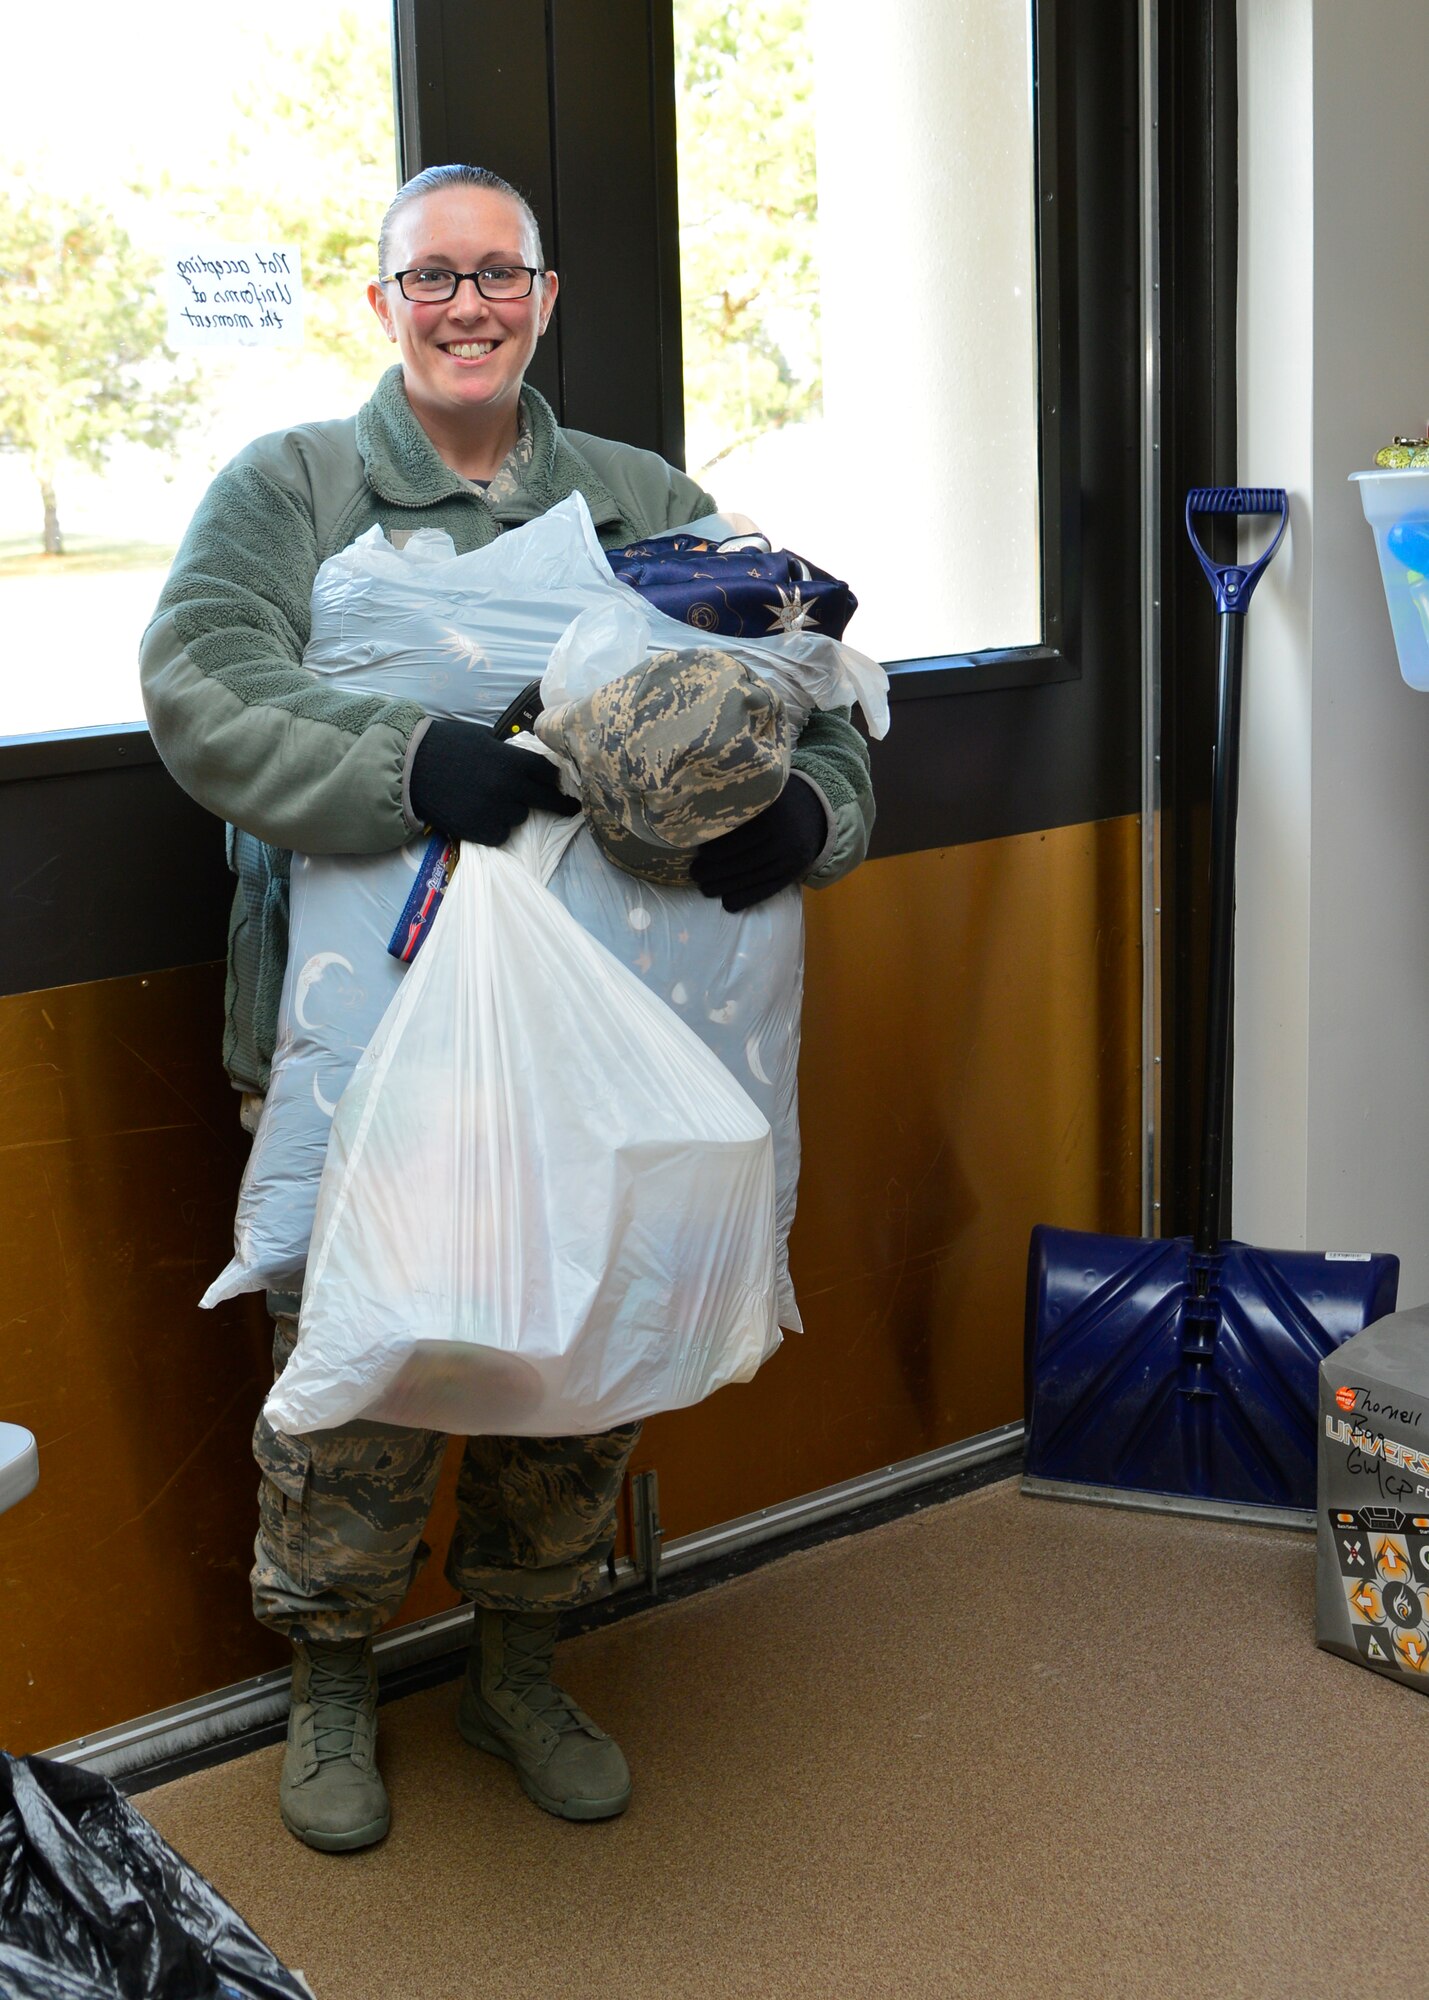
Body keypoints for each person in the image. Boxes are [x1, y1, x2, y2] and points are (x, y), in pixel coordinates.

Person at [140, 163, 875, 1853]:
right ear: (381, 301)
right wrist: (411, 762)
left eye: (498, 275)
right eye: (431, 278)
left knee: (579, 1333)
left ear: (545, 297)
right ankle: (333, 1676)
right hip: (372, 1033)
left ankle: (519, 1658)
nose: (465, 305)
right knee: (365, 1351)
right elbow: (202, 684)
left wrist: (805, 817)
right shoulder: (295, 488)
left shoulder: (640, 494)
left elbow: (799, 687)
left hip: (607, 1037)